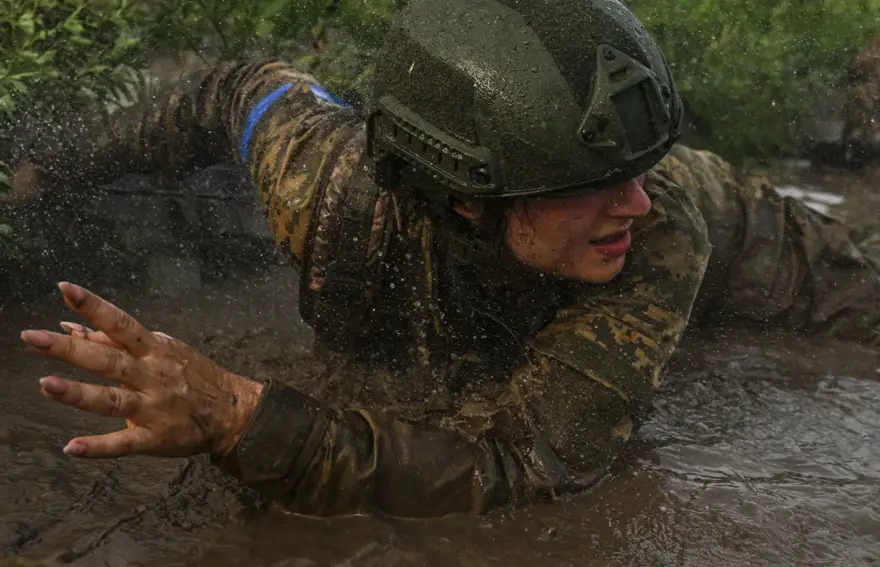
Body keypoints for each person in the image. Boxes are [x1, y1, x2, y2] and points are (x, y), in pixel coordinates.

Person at [10, 0, 880, 518]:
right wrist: (47, 171)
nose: (636, 202)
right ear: (466, 195)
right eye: (595, 183)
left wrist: (240, 415)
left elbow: (529, 466)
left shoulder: (658, 230)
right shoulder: (321, 182)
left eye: (636, 174)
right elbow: (233, 90)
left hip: (764, 252)